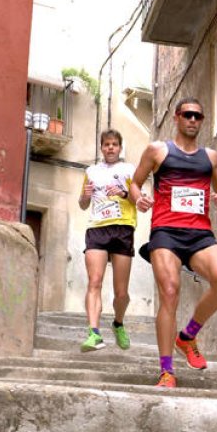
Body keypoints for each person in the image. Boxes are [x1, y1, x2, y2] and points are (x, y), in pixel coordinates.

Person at [128, 98, 217, 387]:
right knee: (170, 292)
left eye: (198, 116)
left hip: (200, 233)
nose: (192, 120)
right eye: (187, 114)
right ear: (176, 117)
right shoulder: (158, 151)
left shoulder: (211, 158)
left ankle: (187, 337)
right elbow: (134, 183)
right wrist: (139, 199)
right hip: (166, 232)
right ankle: (166, 371)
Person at [78, 129, 137, 352]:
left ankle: (118, 323)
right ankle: (93, 333)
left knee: (121, 292)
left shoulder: (129, 169)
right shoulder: (91, 171)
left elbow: (138, 197)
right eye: (106, 144)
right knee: (94, 281)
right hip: (97, 228)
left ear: (120, 148)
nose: (110, 148)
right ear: (101, 147)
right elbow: (83, 204)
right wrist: (85, 195)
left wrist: (123, 192)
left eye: (114, 144)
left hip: (122, 228)